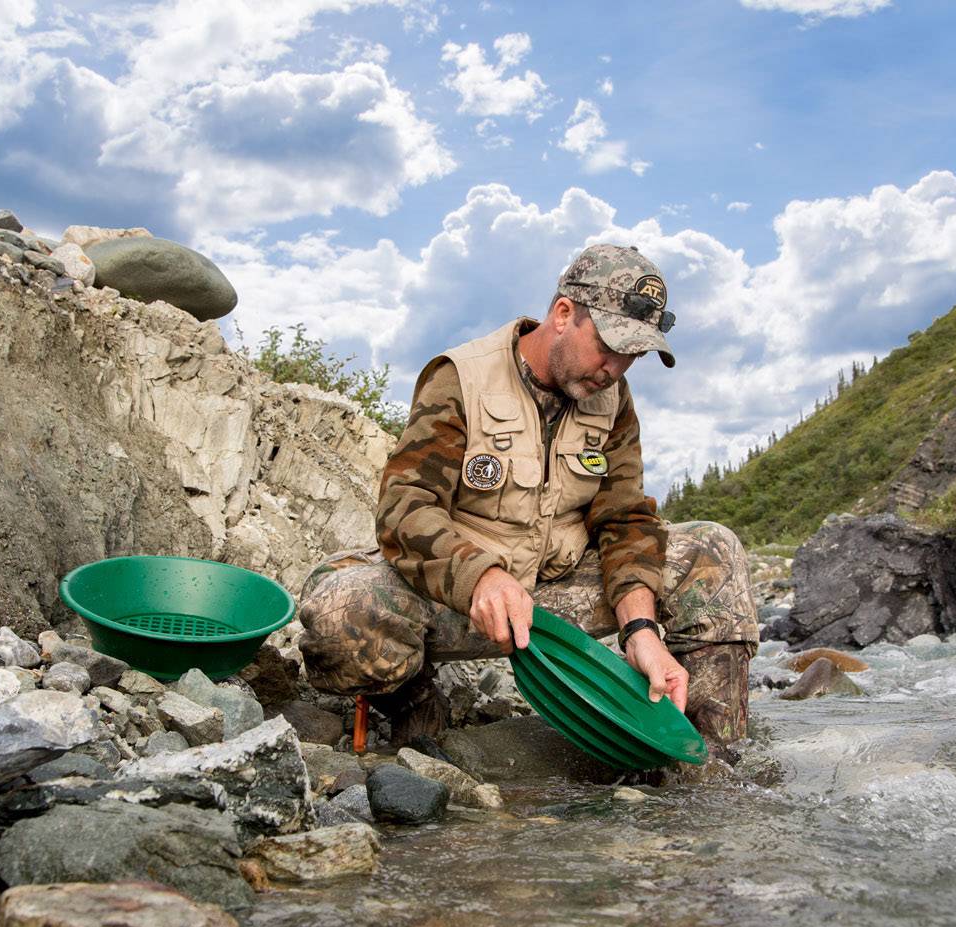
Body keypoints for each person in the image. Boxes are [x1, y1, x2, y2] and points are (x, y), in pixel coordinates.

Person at [297, 244, 759, 757]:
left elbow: (624, 520)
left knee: (712, 551)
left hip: (559, 592)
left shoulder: (613, 399)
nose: (615, 368)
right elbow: (405, 507)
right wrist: (482, 577)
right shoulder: (460, 379)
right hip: (463, 600)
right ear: (563, 314)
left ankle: (710, 763)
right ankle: (413, 701)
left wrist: (641, 629)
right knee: (343, 615)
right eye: (609, 345)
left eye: (633, 354)